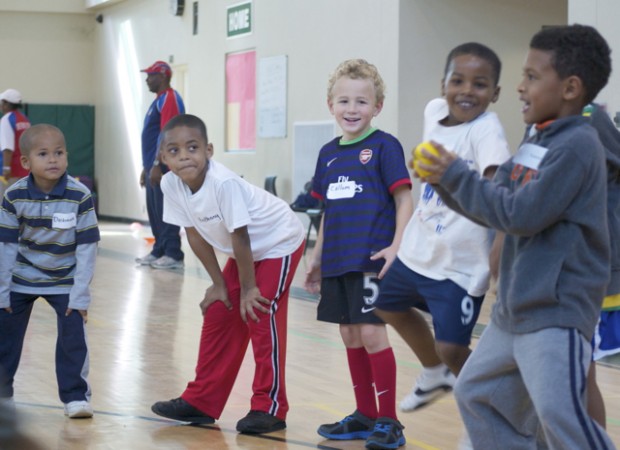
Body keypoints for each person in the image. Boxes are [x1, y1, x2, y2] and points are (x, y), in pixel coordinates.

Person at [418, 24, 616, 449]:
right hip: (515, 309)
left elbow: (519, 214)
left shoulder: (578, 145)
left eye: (531, 76)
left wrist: (455, 175)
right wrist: (448, 184)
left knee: (562, 419)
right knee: (475, 394)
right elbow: (498, 197)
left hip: (555, 312)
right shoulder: (537, 136)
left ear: (570, 88)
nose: (520, 87)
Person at [373, 42, 510, 417]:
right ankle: (434, 374)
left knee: (452, 348)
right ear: (443, 84)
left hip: (462, 265)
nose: (467, 90)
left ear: (494, 94)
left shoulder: (487, 132)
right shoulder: (434, 111)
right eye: (458, 80)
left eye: (480, 84)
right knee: (386, 305)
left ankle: (494, 403)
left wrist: (500, 248)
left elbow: (497, 193)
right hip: (420, 249)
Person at [150, 114, 305, 435]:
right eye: (174, 151)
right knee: (221, 311)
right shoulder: (170, 184)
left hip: (278, 241)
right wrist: (218, 284)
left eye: (192, 148)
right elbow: (193, 233)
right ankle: (202, 401)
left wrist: (249, 289)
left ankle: (269, 407)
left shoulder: (223, 183)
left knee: (258, 310)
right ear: (164, 158)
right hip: (245, 252)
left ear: (208, 150)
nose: (184, 157)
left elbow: (240, 235)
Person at [304, 59, 414, 450]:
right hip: (336, 259)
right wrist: (316, 259)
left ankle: (390, 421)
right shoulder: (327, 154)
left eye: (362, 102)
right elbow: (328, 213)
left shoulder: (385, 146)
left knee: (371, 333)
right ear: (330, 105)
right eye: (344, 101)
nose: (352, 109)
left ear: (377, 107)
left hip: (371, 258)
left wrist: (397, 247)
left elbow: (404, 199)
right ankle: (365, 414)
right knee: (350, 334)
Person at [0, 124, 100, 419]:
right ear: (27, 162)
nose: (53, 159)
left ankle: (75, 397)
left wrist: (80, 295)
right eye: (43, 154)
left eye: (59, 152)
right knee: (5, 338)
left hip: (65, 280)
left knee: (73, 340)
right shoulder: (14, 195)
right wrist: (2, 291)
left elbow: (87, 248)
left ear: (67, 156)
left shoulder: (80, 195)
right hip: (22, 278)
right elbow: (5, 246)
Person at [581, 103, 620, 429]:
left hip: (601, 282)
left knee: (581, 372)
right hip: (580, 282)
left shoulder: (591, 116)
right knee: (580, 372)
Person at [135, 60, 185, 270]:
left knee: (166, 210)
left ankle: (173, 253)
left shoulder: (170, 98)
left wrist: (157, 164)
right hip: (153, 166)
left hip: (164, 167)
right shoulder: (158, 100)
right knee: (155, 211)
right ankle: (159, 250)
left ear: (163, 76)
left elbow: (168, 134)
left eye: (150, 75)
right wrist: (147, 167)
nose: (147, 79)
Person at [0, 89, 30, 195]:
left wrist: (6, 168)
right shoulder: (24, 119)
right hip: (25, 169)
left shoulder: (6, 119)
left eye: (2, 102)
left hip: (11, 171)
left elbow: (7, 147)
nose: (1, 105)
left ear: (7, 104)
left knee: (6, 204)